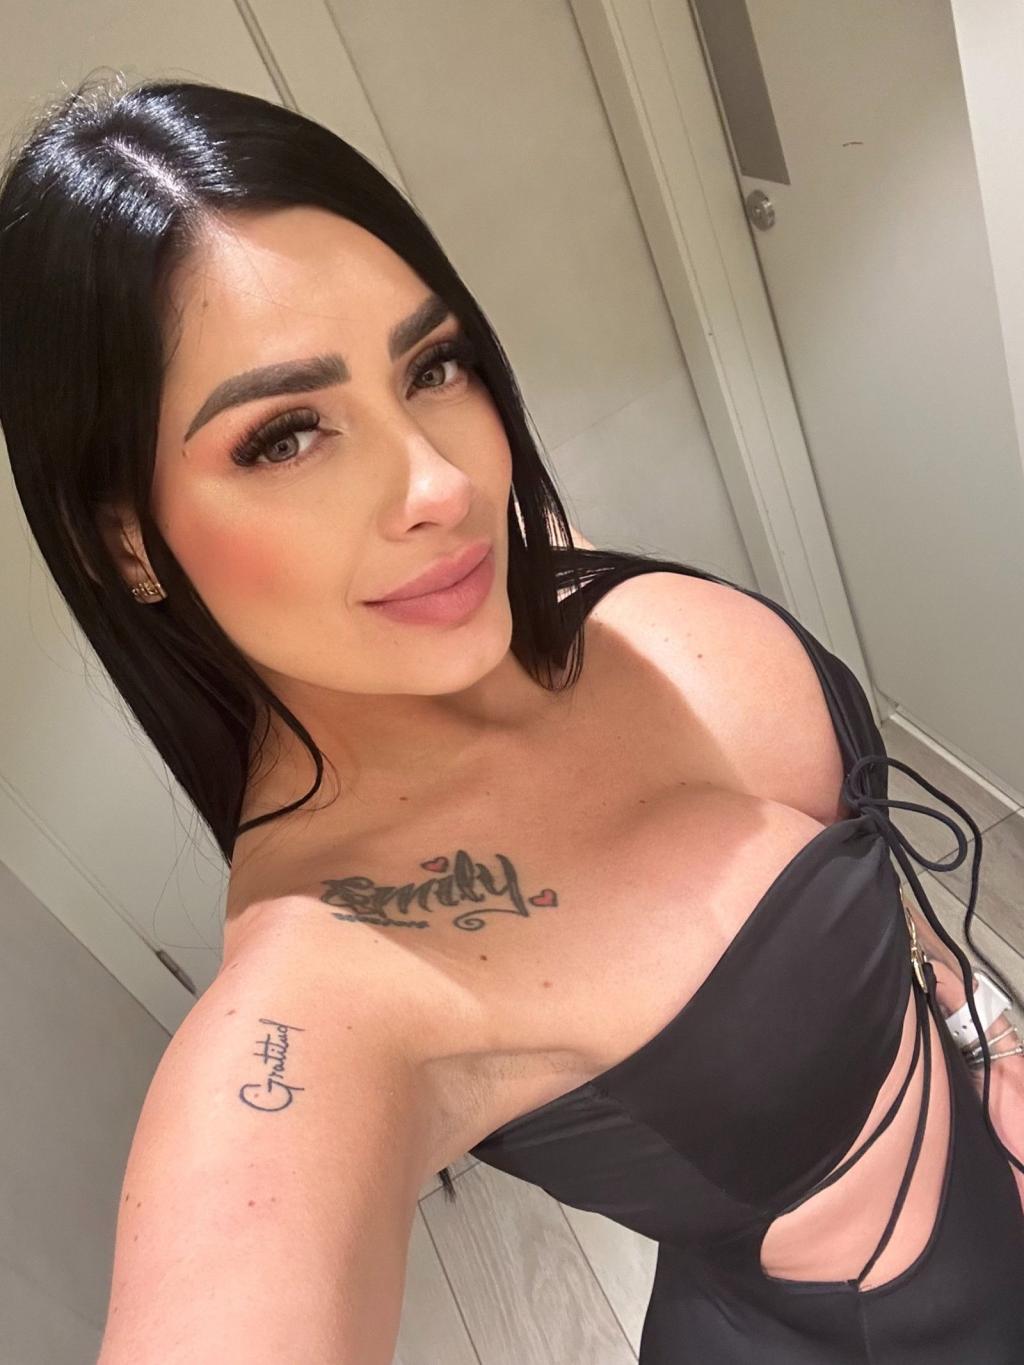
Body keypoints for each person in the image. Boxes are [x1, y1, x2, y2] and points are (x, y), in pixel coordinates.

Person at [2, 72, 1022, 1364]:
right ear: (126, 544)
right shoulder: (328, 990)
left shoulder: (501, 555)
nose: (438, 479)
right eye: (286, 436)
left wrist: (980, 1025)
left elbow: (847, 860)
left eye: (432, 365)